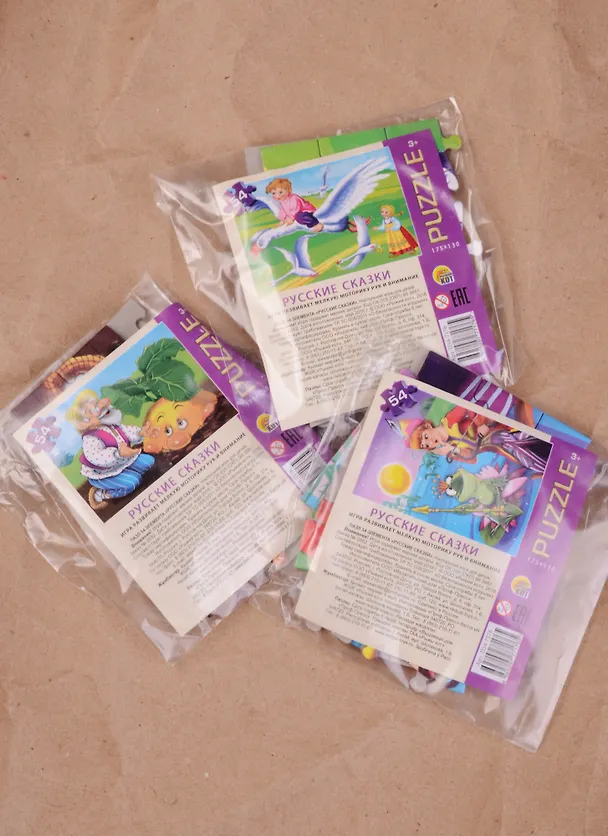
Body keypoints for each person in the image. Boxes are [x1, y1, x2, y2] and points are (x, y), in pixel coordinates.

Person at [66, 389, 154, 510]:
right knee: (133, 482)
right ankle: (102, 493)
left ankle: (126, 474)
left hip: (123, 462)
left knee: (149, 461)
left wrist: (140, 433)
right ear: (83, 423)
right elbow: (97, 458)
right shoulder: (90, 438)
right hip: (104, 473)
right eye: (92, 410)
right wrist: (118, 454)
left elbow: (127, 432)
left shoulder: (111, 425)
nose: (100, 408)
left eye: (96, 404)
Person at [397, 405, 548, 474]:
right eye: (425, 445)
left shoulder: (450, 419)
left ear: (428, 426)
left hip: (503, 431)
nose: (430, 443)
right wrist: (453, 450)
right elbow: (472, 458)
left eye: (426, 437)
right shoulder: (449, 450)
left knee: (528, 440)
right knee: (532, 461)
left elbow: (470, 408)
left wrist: (481, 424)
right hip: (503, 448)